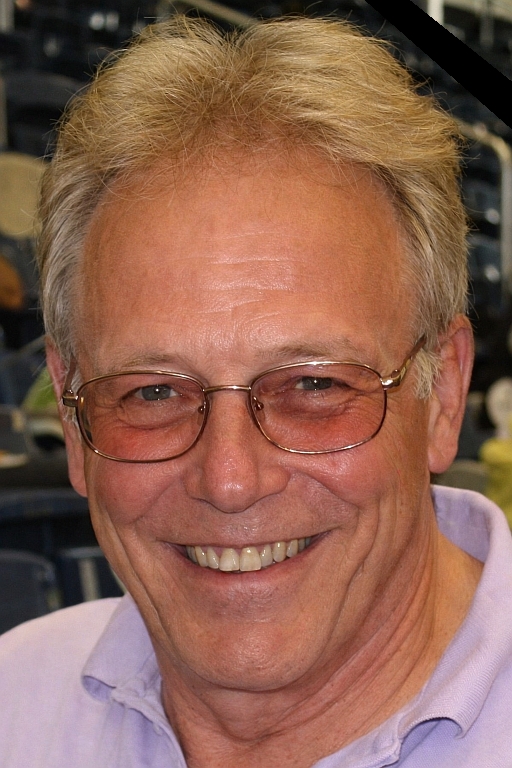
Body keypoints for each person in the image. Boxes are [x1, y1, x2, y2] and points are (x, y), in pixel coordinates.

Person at [0, 14, 511, 767]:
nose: (230, 480)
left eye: (313, 384)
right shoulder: (15, 703)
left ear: (443, 395)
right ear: (74, 422)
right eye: (152, 393)